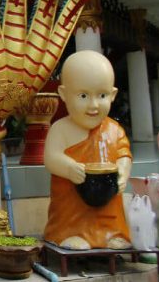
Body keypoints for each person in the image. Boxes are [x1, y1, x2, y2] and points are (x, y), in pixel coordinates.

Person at [43, 50, 131, 250]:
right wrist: (69, 167)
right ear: (64, 95)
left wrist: (123, 171)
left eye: (102, 95)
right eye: (83, 96)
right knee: (71, 211)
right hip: (72, 205)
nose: (93, 105)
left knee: (112, 210)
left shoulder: (114, 130)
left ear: (113, 95)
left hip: (107, 198)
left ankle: (112, 234)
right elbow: (51, 158)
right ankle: (69, 234)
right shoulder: (61, 129)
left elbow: (124, 153)